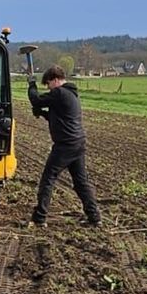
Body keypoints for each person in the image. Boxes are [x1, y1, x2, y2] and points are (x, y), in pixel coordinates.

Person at [27, 66, 100, 226]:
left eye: (48, 84)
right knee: (81, 182)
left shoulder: (59, 93)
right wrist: (44, 114)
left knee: (48, 179)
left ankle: (39, 218)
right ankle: (95, 218)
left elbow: (36, 99)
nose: (48, 87)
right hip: (77, 143)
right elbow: (60, 117)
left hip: (65, 145)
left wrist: (31, 84)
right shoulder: (70, 94)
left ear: (55, 80)